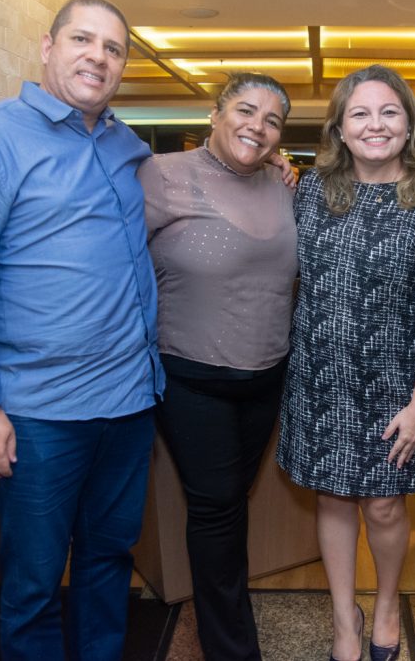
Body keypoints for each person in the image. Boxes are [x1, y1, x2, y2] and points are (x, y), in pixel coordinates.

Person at [0, 0, 164, 660]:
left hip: (127, 404)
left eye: (113, 48)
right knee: (32, 585)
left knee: (107, 563)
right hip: (36, 414)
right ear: (47, 45)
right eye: (83, 39)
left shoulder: (124, 146)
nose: (98, 56)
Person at [277, 64, 415, 661]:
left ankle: (384, 608)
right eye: (360, 113)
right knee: (332, 498)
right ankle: (342, 621)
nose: (375, 124)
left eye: (388, 112)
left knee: (383, 504)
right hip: (320, 377)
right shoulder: (310, 190)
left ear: (408, 124)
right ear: (340, 126)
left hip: (394, 386)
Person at [136, 72, 297, 660]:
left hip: (265, 376)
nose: (257, 126)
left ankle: (227, 626)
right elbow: (119, 263)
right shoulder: (162, 175)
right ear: (215, 113)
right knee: (216, 508)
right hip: (189, 376)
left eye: (272, 120)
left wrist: (281, 165)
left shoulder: (283, 186)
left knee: (230, 503)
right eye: (246, 111)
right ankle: (232, 648)